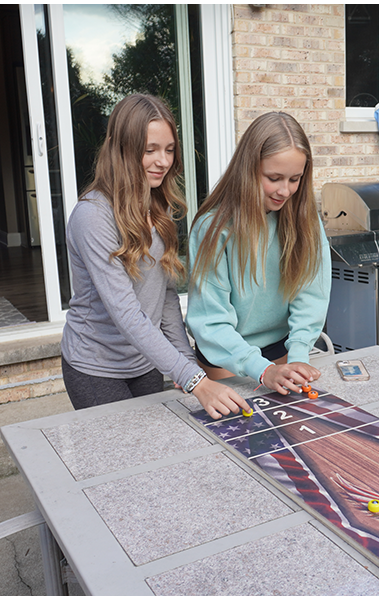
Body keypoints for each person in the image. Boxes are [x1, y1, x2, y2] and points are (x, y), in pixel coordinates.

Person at [61, 93, 249, 419]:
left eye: (169, 149)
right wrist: (195, 381)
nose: (163, 161)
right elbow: (126, 313)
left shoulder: (157, 207)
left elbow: (165, 297)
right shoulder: (92, 216)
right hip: (95, 366)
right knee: (126, 458)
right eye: (150, 150)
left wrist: (187, 364)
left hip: (145, 360)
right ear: (123, 150)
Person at [186, 112, 331, 396]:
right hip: (226, 356)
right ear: (248, 168)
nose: (285, 190)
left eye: (295, 179)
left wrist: (299, 356)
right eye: (274, 178)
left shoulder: (305, 220)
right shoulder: (213, 228)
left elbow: (311, 295)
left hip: (283, 351)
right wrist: (261, 369)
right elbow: (211, 320)